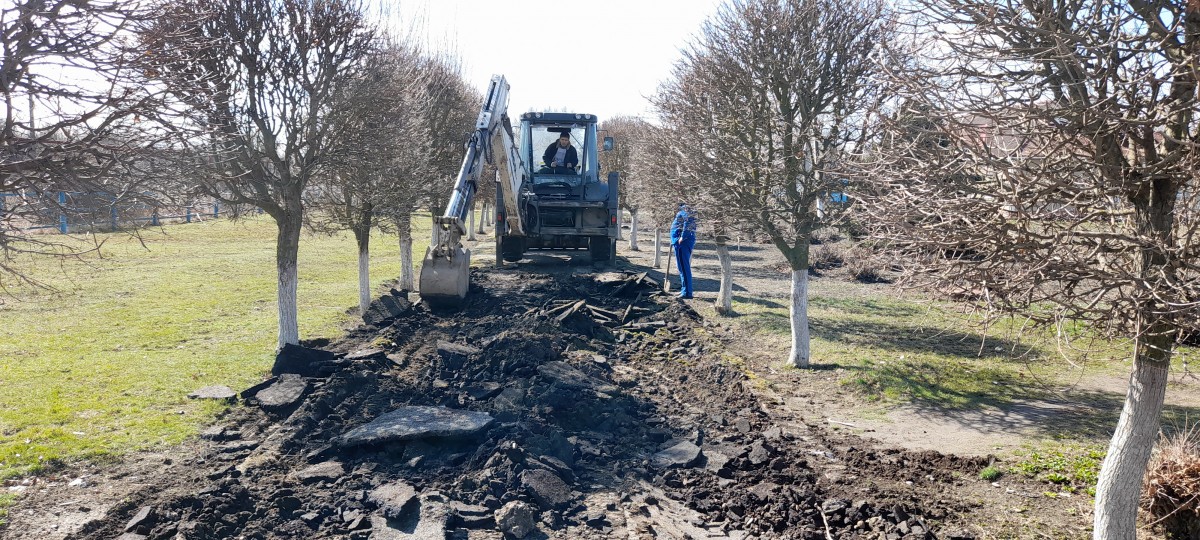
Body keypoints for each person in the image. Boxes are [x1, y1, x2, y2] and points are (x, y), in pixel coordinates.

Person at [670, 202, 698, 299]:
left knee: (684, 268)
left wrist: (682, 237)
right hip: (679, 242)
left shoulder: (687, 209)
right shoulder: (683, 209)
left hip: (683, 243)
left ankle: (687, 292)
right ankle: (684, 289)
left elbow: (688, 222)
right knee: (681, 268)